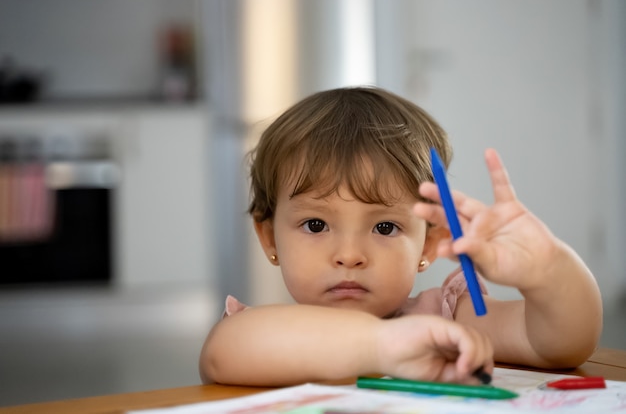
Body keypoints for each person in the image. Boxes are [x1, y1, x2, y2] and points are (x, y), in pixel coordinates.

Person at [199, 86, 602, 387]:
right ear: (269, 239)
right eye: (316, 225)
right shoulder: (267, 336)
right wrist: (383, 345)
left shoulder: (448, 322)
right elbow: (222, 353)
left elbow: (560, 345)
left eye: (385, 227)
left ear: (427, 244)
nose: (350, 255)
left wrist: (551, 270)